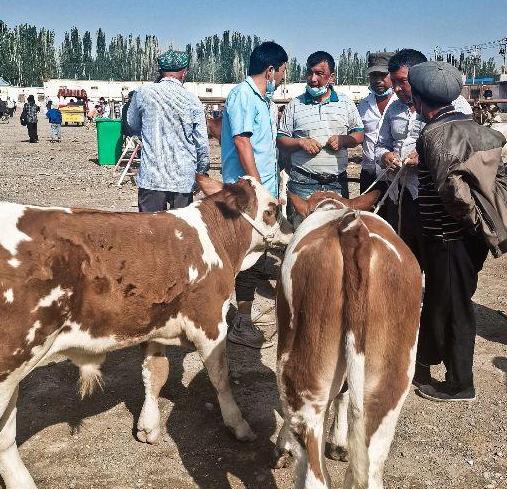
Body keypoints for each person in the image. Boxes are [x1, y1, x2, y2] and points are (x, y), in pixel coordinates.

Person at [408, 61, 507, 402]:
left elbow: (452, 191)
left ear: (418, 100)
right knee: (441, 301)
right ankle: (423, 364)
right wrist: (483, 228)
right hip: (468, 240)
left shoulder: (433, 135)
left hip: (449, 238)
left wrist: (471, 222)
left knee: (454, 306)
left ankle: (461, 382)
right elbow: (499, 181)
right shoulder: (477, 129)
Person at [374, 49, 473, 266]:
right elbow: (380, 145)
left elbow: (465, 150)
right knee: (402, 253)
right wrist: (386, 157)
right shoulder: (393, 108)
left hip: (436, 196)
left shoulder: (453, 104)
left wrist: (425, 158)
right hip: (399, 194)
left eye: (402, 81)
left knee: (436, 256)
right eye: (394, 83)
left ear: (420, 77)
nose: (397, 88)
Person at [221, 41, 288, 348]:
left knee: (254, 256)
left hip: (260, 191)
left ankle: (239, 318)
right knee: (244, 258)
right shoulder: (243, 96)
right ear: (271, 69)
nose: (284, 76)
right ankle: (240, 323)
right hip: (248, 194)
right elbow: (242, 143)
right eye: (283, 70)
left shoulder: (262, 100)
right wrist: (259, 190)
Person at [277, 50, 364, 227]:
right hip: (302, 183)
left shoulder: (345, 103)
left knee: (337, 235)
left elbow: (359, 134)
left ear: (332, 77)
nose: (313, 78)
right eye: (310, 72)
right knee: (300, 234)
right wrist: (300, 142)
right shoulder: (295, 104)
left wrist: (343, 140)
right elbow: (281, 140)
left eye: (319, 74)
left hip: (337, 183)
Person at [127, 48, 210, 212]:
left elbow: (132, 123)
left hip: (152, 177)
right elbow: (202, 144)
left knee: (149, 231)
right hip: (182, 179)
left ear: (160, 71)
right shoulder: (192, 101)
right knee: (180, 234)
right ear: (184, 72)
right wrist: (202, 173)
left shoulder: (143, 93)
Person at [357, 51, 396, 194]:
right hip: (369, 172)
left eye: (383, 75)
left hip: (396, 173)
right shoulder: (363, 105)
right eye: (374, 75)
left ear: (392, 75)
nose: (378, 80)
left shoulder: (401, 103)